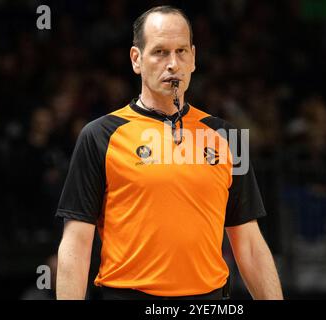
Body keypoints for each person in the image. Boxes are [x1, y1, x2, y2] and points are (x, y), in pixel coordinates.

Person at [55, 5, 283, 300]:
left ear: (193, 58)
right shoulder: (100, 135)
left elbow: (249, 243)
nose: (173, 64)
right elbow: (75, 244)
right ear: (136, 59)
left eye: (181, 52)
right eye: (160, 52)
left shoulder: (226, 136)